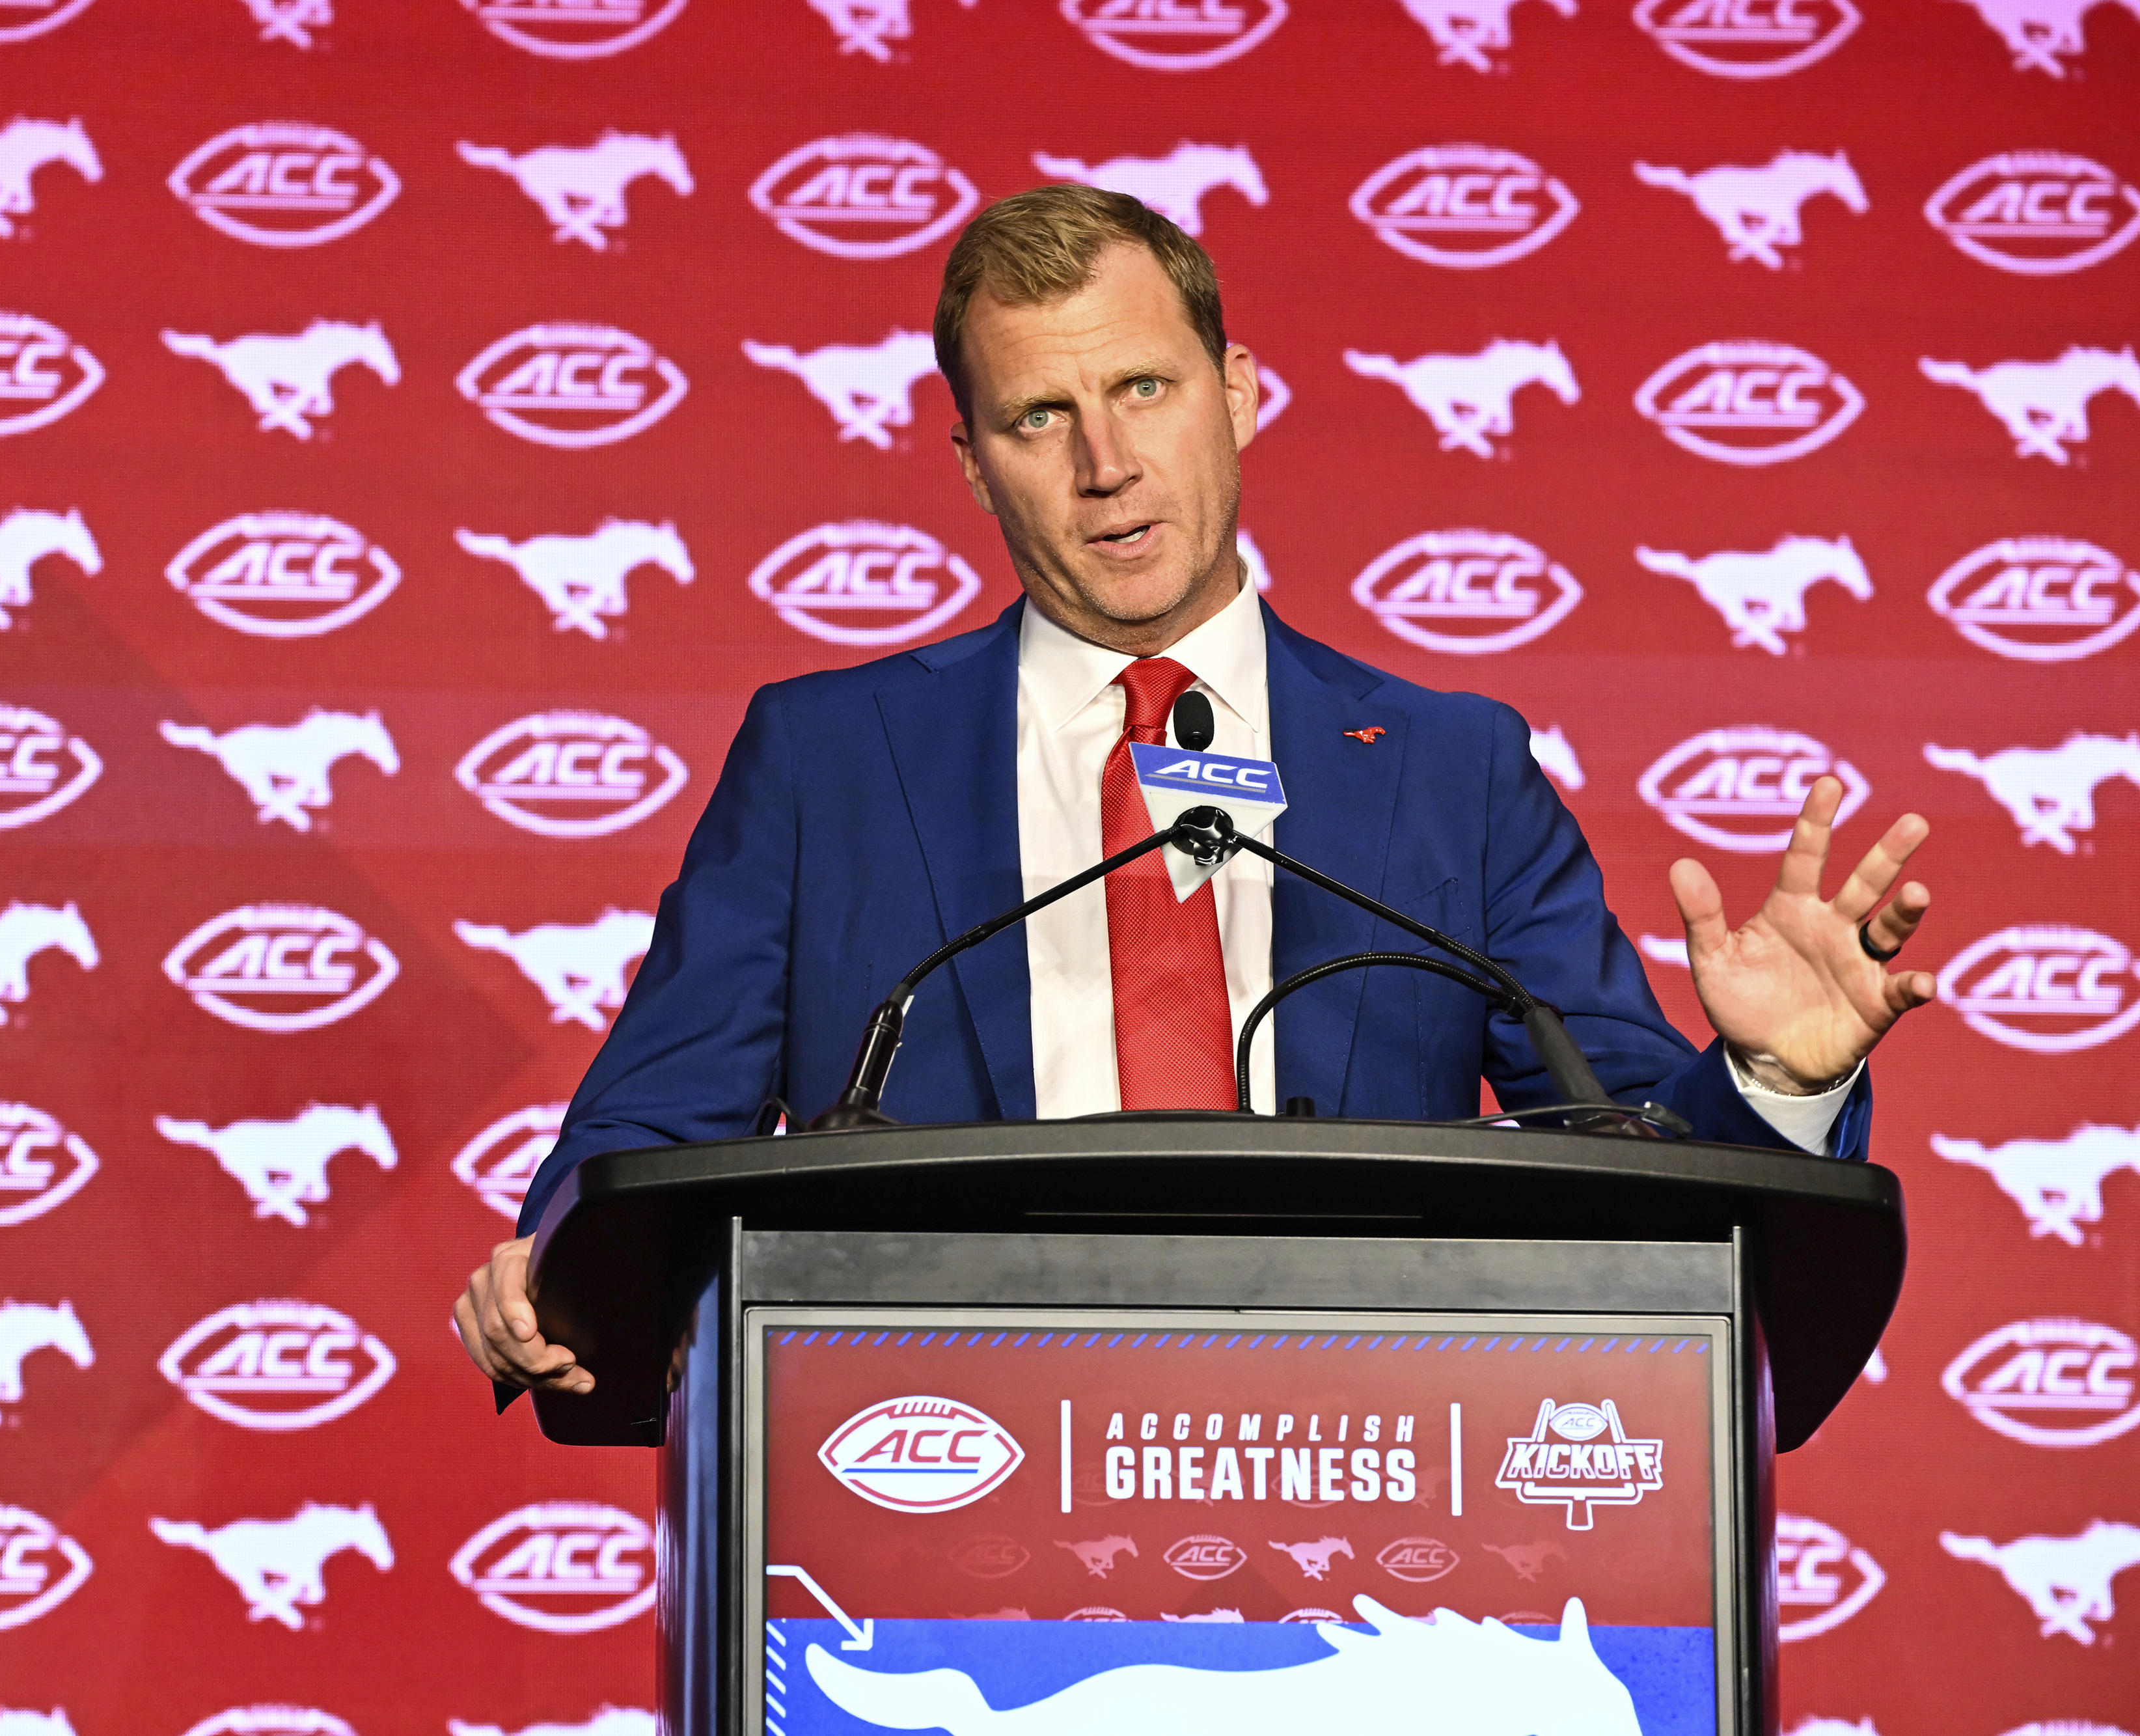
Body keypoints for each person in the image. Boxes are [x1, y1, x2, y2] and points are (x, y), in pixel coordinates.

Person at [456, 185, 1936, 1398]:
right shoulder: (826, 760)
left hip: (1373, 1469)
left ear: (1234, 391)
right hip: (928, 1468)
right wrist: (553, 1266)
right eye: (1039, 417)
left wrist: (1776, 1076)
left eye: (1143, 388)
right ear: (970, 463)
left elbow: (1643, 1170)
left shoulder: (1447, 768)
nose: (1105, 463)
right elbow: (641, 1133)